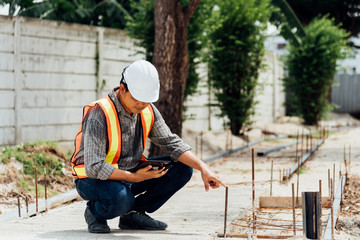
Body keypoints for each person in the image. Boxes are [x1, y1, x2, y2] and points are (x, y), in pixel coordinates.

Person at [70, 59, 226, 233]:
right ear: (123, 89)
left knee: (183, 168)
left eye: (146, 100)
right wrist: (133, 177)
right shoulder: (99, 113)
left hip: (130, 174)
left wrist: (203, 168)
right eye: (138, 99)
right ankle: (95, 213)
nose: (142, 105)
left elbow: (171, 142)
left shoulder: (147, 109)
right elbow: (93, 167)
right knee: (121, 198)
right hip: (94, 180)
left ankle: (133, 214)